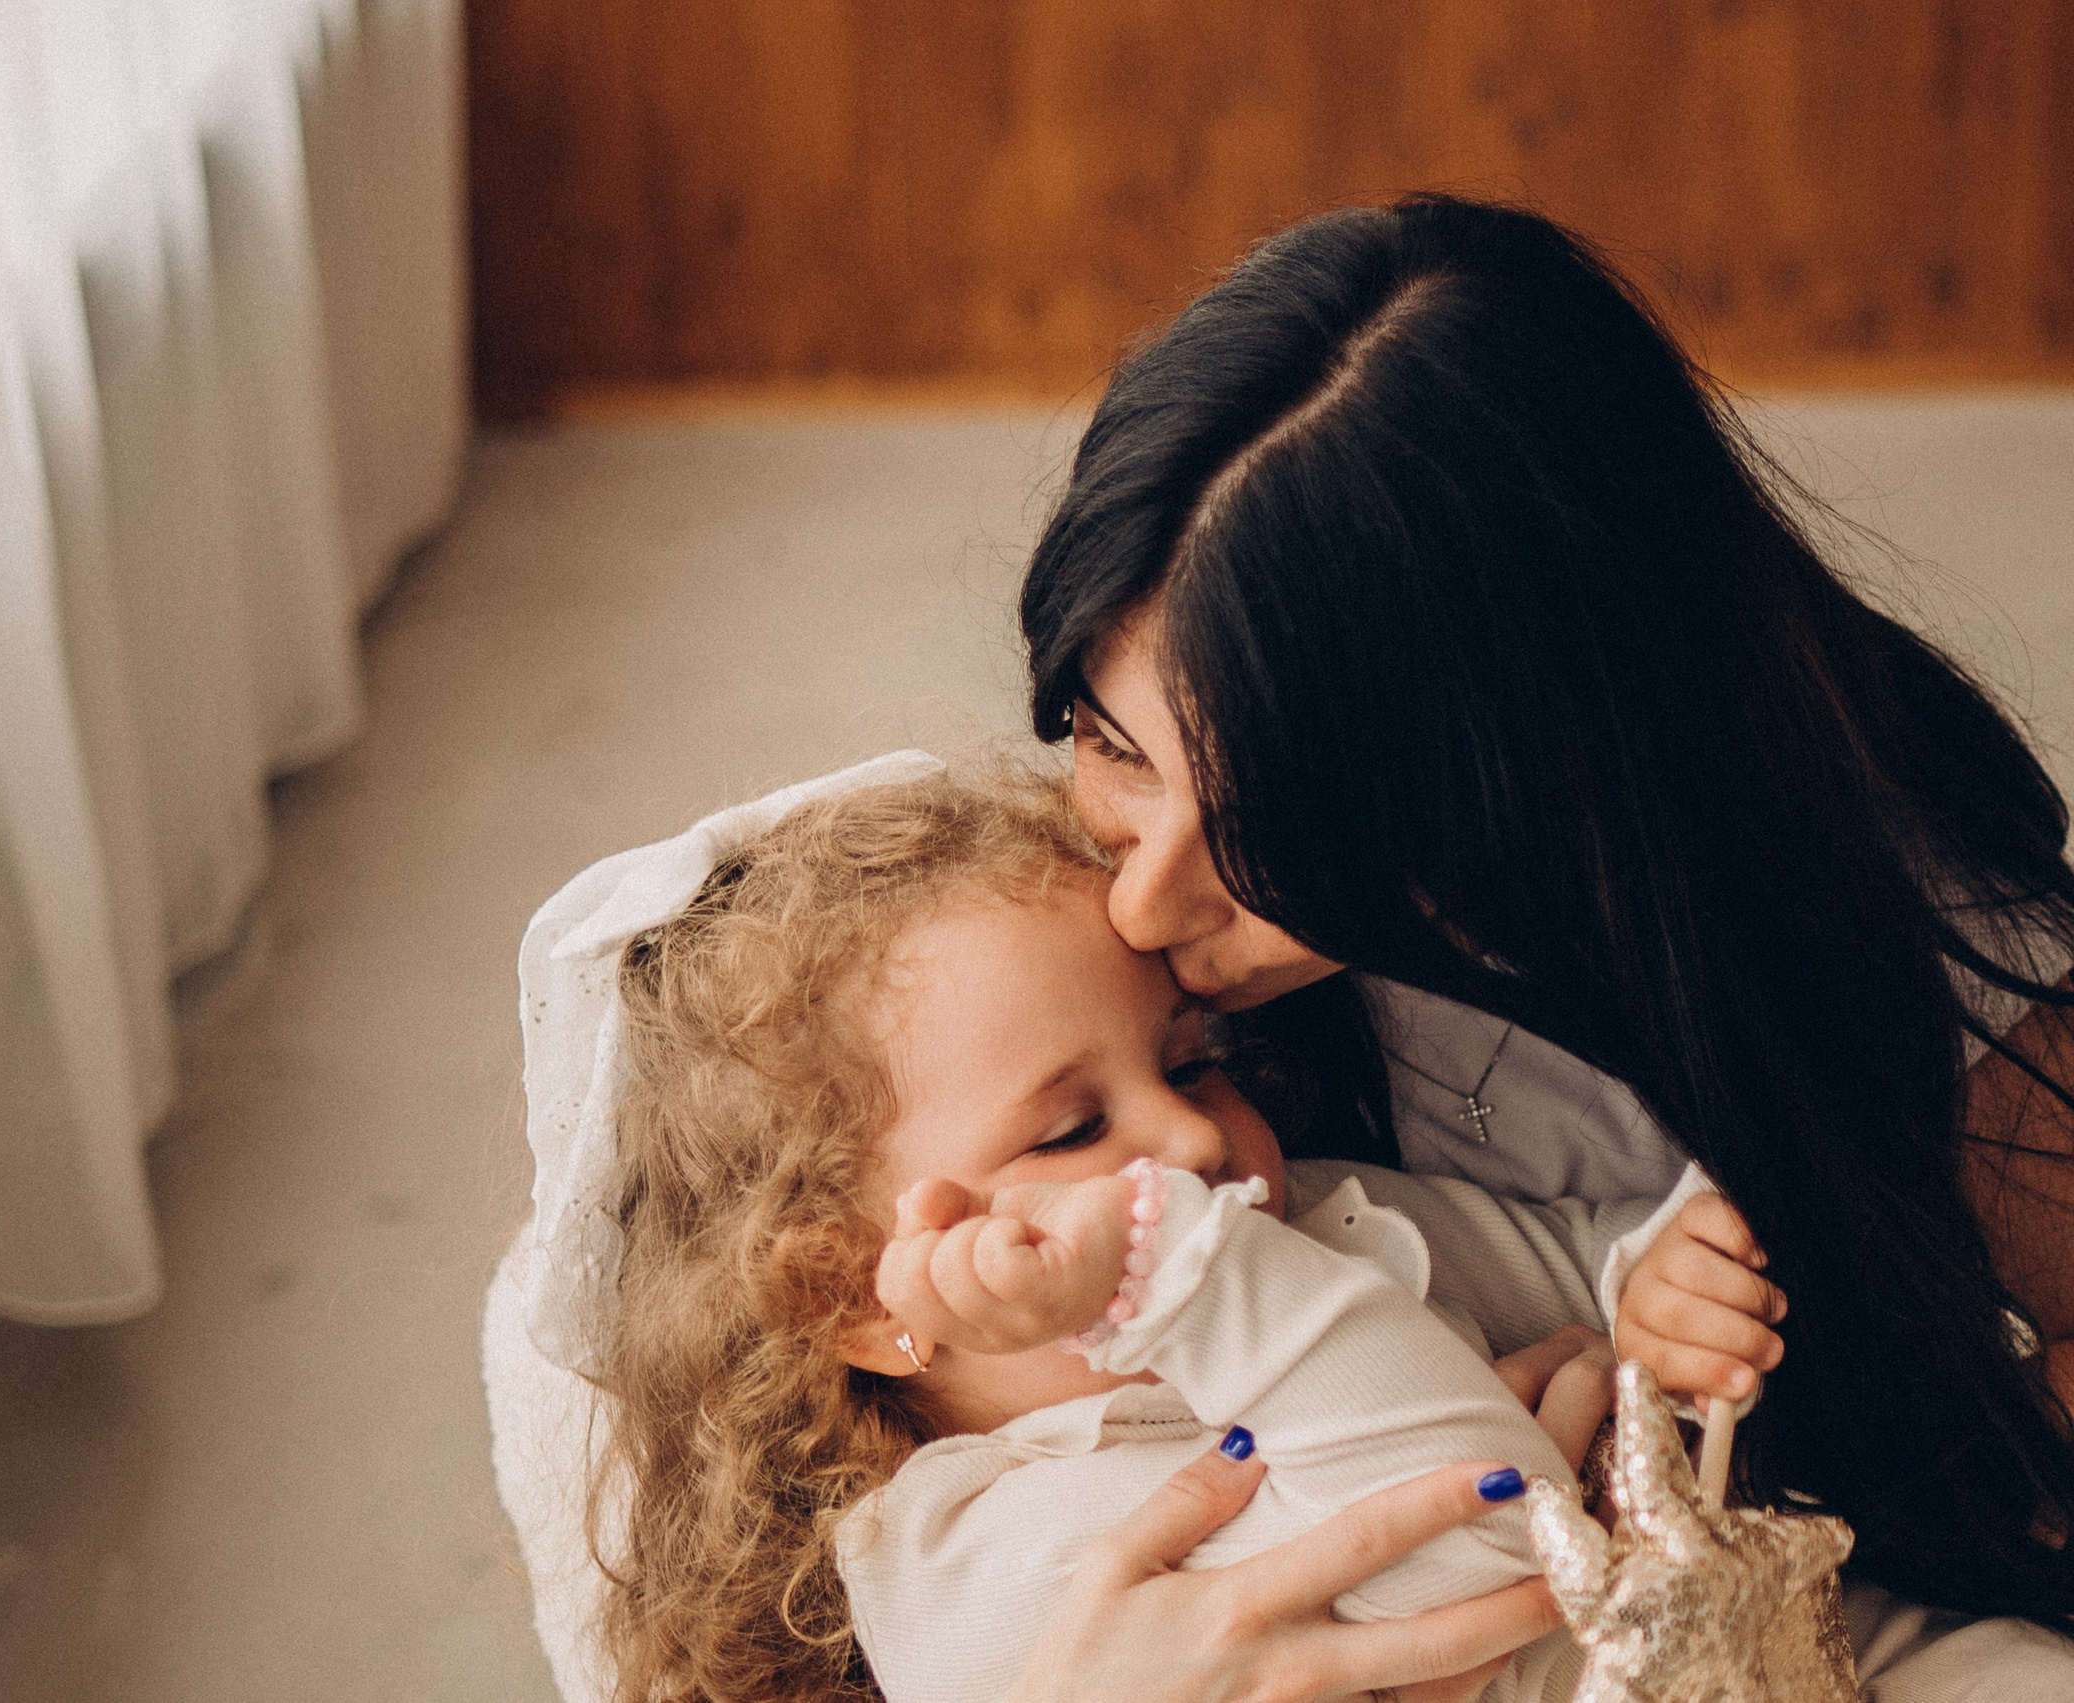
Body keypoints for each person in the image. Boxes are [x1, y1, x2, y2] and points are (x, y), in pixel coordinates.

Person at [1006, 191, 2074, 1699]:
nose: (1141, 906)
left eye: (1277, 835)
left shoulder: (1924, 954)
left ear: (1533, 769)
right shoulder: (1084, 905)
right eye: (1115, 748)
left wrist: (1743, 1422)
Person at [581, 765, 1779, 1703]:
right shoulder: (952, 1556)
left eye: (1192, 1062)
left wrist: (1650, 1281)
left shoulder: (1309, 1221)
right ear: (854, 1293)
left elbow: (1578, 1256)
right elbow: (1462, 1544)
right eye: (1070, 1130)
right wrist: (1189, 1284)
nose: (1193, 1138)